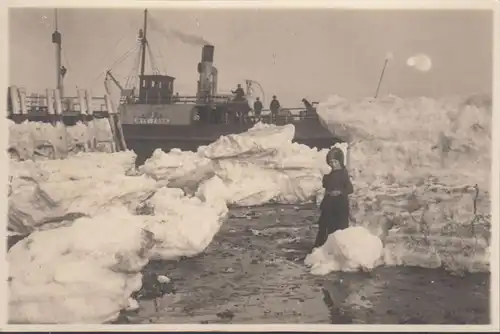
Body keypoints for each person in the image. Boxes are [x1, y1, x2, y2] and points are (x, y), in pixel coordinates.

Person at [313, 147, 354, 249]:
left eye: (335, 162)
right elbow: (327, 187)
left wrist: (340, 192)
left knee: (338, 229)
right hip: (329, 205)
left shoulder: (343, 174)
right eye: (331, 162)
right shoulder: (331, 174)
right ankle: (320, 248)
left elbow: (350, 189)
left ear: (340, 161)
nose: (333, 164)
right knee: (324, 227)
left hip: (339, 205)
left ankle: (336, 249)